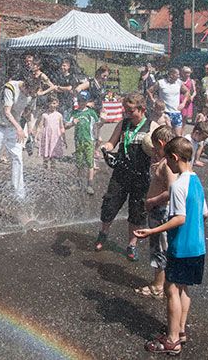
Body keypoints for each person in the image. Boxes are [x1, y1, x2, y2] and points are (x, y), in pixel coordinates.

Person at [134, 136, 208, 356]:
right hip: (198, 247)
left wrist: (153, 231)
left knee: (171, 289)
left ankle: (172, 340)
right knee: (183, 288)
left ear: (174, 158)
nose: (167, 164)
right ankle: (181, 331)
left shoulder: (177, 185)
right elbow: (204, 214)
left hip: (181, 247)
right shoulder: (197, 181)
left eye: (168, 160)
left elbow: (179, 218)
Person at [94, 92, 152, 262]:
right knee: (110, 203)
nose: (126, 113)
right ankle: (103, 234)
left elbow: (159, 149)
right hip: (121, 173)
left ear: (142, 109)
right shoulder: (123, 124)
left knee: (137, 211)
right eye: (125, 110)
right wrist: (105, 148)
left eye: (130, 110)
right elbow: (112, 142)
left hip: (141, 176)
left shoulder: (152, 125)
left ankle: (131, 245)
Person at [0, 77, 41, 200]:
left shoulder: (33, 94)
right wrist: (19, 128)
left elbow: (28, 113)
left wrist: (31, 130)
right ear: (25, 86)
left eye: (33, 93)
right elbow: (7, 111)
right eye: (29, 92)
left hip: (13, 127)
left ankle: (19, 192)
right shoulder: (10, 87)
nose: (31, 95)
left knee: (17, 157)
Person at [135, 125, 177, 300]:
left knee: (159, 248)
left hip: (160, 212)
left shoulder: (167, 164)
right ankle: (160, 283)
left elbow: (172, 190)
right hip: (157, 212)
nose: (154, 151)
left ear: (161, 143)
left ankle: (158, 286)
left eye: (155, 148)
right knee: (158, 246)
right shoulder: (165, 162)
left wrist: (152, 201)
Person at [66, 90, 101, 195]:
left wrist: (98, 136)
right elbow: (66, 126)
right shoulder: (75, 113)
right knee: (79, 163)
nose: (81, 103)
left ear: (87, 101)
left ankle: (89, 184)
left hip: (89, 140)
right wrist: (72, 123)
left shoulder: (91, 112)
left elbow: (97, 124)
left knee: (90, 163)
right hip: (78, 141)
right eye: (80, 100)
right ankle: (78, 183)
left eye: (84, 101)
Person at [148, 67, 189, 136]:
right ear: (171, 75)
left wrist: (183, 103)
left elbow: (187, 91)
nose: (179, 76)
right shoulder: (161, 82)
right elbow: (149, 91)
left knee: (178, 135)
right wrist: (153, 101)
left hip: (176, 112)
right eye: (177, 74)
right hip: (164, 112)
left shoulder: (179, 83)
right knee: (164, 135)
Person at [38, 95, 65, 169]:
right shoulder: (44, 115)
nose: (52, 105)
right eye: (50, 103)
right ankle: (45, 166)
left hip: (55, 136)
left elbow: (62, 127)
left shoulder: (59, 115)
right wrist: (37, 135)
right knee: (46, 151)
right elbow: (40, 126)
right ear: (47, 104)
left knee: (54, 152)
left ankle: (53, 167)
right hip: (46, 135)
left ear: (57, 104)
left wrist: (64, 138)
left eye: (54, 103)